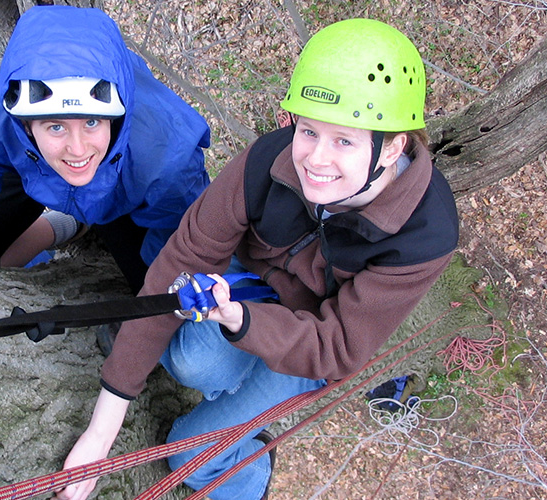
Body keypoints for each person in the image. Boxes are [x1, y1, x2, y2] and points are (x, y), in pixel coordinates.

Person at [55, 19, 459, 500]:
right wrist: (99, 436)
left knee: (191, 458)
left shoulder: (423, 234)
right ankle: (201, 374)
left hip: (310, 346)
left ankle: (252, 472)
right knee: (194, 362)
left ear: (391, 147)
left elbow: (339, 348)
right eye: (308, 130)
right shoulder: (268, 161)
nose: (315, 159)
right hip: (247, 284)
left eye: (344, 141)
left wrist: (241, 321)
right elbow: (183, 257)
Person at [0, 6, 211, 293]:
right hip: (30, 164)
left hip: (126, 181)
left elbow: (187, 238)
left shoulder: (165, 156)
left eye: (91, 123)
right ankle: (65, 221)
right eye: (56, 126)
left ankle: (74, 220)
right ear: (26, 124)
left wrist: (160, 296)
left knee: (149, 290)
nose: (77, 148)